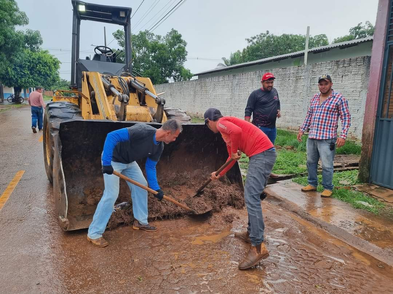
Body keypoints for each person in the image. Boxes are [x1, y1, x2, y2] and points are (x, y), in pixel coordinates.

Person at [87, 119, 182, 247]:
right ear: (168, 133)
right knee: (111, 194)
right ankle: (94, 233)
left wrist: (156, 189)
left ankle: (140, 221)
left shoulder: (159, 146)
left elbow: (150, 167)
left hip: (129, 163)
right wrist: (106, 163)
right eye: (175, 137)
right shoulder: (142, 131)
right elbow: (112, 136)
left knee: (142, 186)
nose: (174, 140)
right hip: (113, 160)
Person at [204, 108, 276, 270]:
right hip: (261, 155)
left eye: (208, 125)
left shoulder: (222, 123)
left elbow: (236, 132)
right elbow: (231, 158)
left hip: (262, 154)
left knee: (251, 198)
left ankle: (258, 248)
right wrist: (218, 173)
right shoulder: (225, 132)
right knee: (252, 196)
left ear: (209, 121)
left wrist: (235, 149)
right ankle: (252, 235)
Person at [297, 74, 351, 198]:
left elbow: (346, 118)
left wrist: (343, 136)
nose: (323, 86)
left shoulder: (338, 98)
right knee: (311, 162)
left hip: (327, 139)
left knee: (327, 164)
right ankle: (312, 184)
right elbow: (309, 115)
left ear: (331, 84)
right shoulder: (315, 98)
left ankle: (327, 187)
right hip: (312, 137)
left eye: (326, 84)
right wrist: (302, 129)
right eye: (321, 84)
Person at [245, 72, 281, 144]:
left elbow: (277, 102)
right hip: (260, 127)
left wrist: (278, 110)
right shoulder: (255, 94)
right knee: (258, 148)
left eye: (271, 82)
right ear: (262, 82)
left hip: (272, 128)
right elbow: (248, 109)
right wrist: (246, 126)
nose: (270, 85)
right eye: (267, 83)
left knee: (270, 147)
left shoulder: (274, 91)